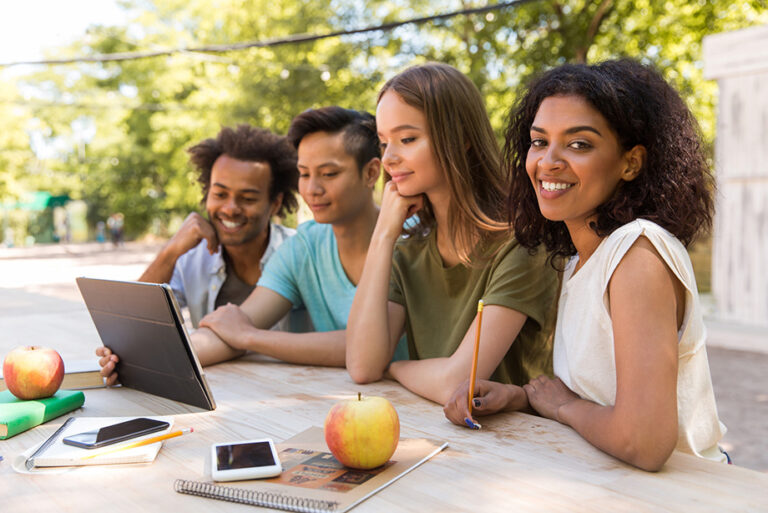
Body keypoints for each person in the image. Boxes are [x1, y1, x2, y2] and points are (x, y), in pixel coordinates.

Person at [447, 59, 727, 470]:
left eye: (579, 144)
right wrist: (523, 398)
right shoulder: (581, 258)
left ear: (631, 162)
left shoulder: (636, 254)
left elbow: (643, 442)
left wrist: (563, 409)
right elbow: (598, 395)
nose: (548, 162)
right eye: (539, 141)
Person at [346, 63, 559, 413]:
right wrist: (384, 235)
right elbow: (362, 366)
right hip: (435, 440)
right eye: (384, 143)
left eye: (407, 139)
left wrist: (395, 367)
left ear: (460, 138)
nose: (388, 158)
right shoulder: (409, 252)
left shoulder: (519, 244)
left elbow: (456, 383)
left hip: (518, 447)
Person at [97, 124, 299, 381]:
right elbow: (131, 327)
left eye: (247, 199)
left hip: (288, 391)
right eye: (220, 194)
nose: (230, 208)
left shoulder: (297, 253)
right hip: (216, 390)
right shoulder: (192, 257)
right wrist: (170, 252)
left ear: (275, 203)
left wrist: (140, 356)